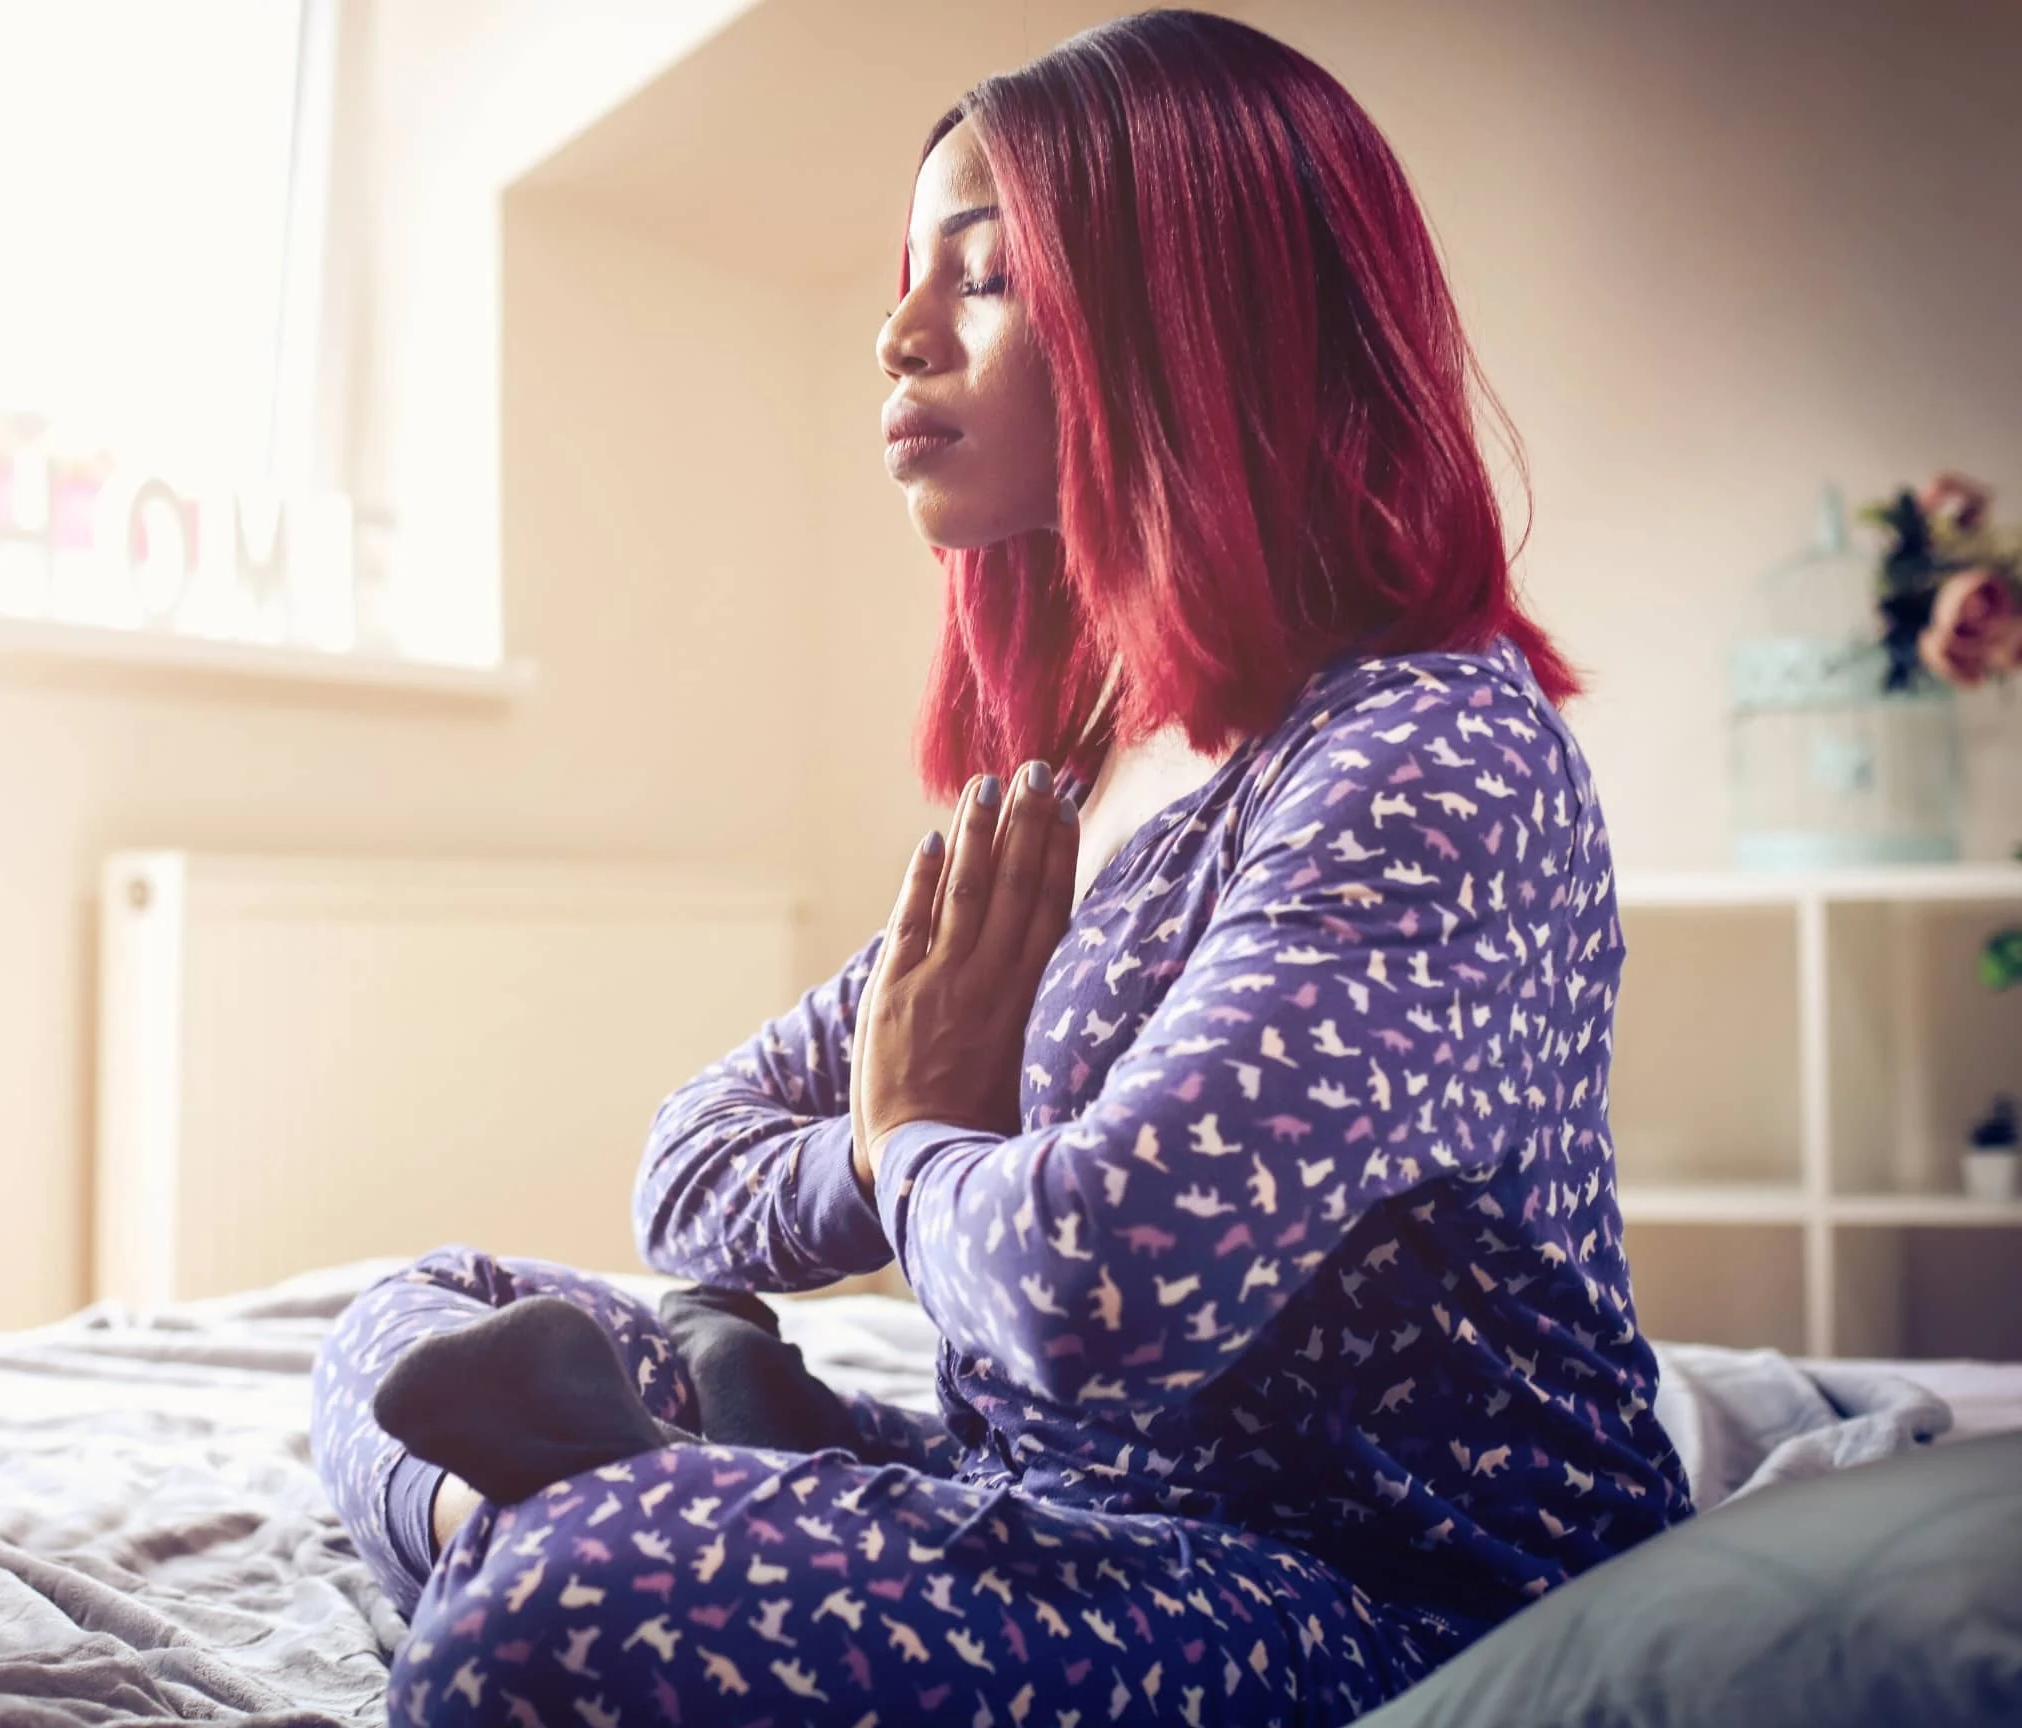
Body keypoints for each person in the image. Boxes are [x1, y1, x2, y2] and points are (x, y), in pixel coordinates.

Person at [310, 12, 1695, 1723]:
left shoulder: (1426, 759)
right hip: (1049, 1511)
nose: (895, 333)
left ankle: (590, 1511)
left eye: (981, 277)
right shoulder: (1078, 780)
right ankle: (568, 1496)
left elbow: (1086, 1295)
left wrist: (918, 1136)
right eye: (914, 276)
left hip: (1374, 1597)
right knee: (422, 1311)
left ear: (1197, 321)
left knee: (559, 1619)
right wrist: (921, 1130)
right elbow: (689, 1167)